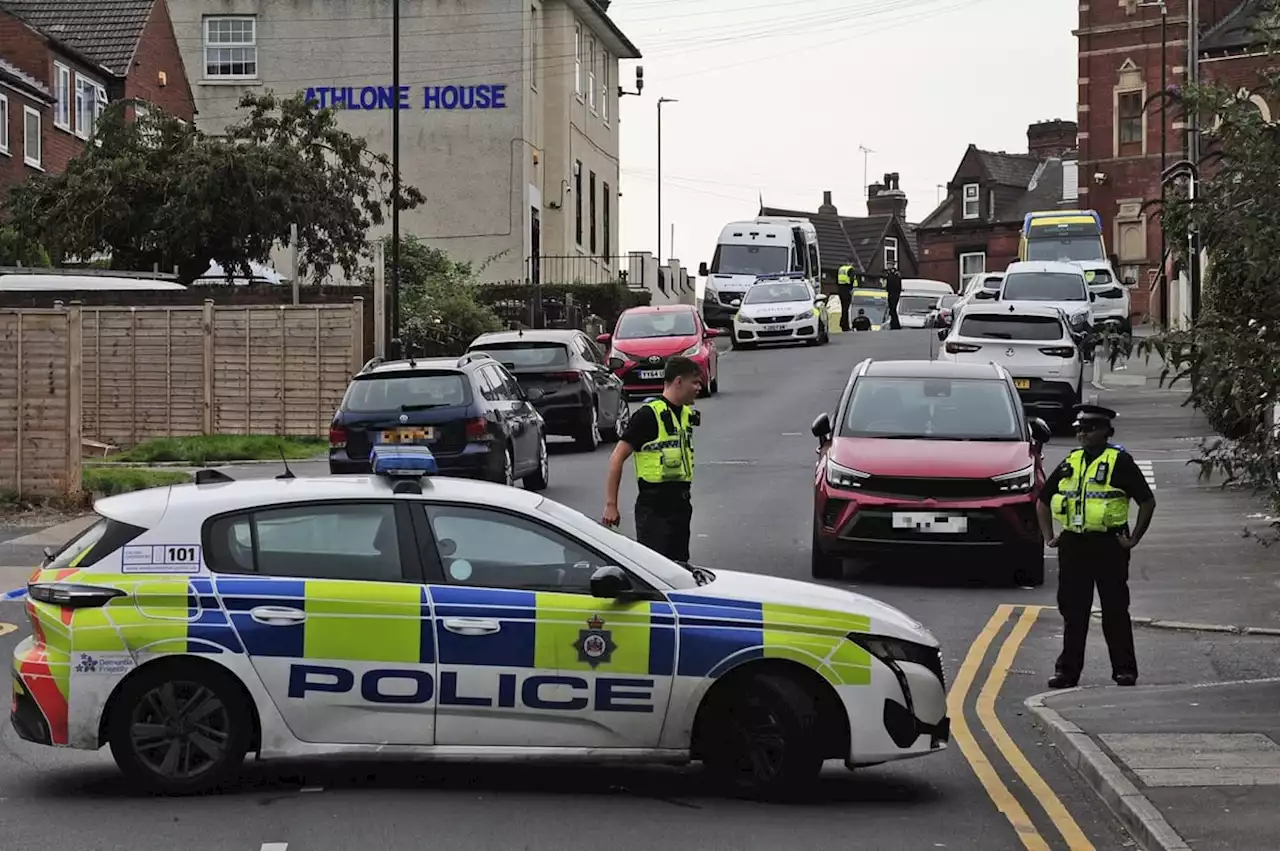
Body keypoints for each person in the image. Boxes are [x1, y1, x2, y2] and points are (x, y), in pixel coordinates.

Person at [1036, 403, 1157, 689]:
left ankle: (1124, 670)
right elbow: (1043, 499)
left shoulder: (1120, 462)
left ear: (1106, 432)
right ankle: (1067, 673)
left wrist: (1133, 539)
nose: (1082, 434)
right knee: (1073, 612)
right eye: (1079, 429)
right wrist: (1049, 536)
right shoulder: (1071, 460)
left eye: (1089, 429)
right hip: (1074, 544)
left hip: (1109, 544)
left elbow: (1146, 502)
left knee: (1115, 610)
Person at [601, 356, 702, 563]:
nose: (699, 387)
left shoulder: (685, 414)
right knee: (655, 567)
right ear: (678, 381)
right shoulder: (648, 415)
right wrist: (611, 504)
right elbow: (617, 458)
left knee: (680, 567)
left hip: (681, 503)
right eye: (695, 382)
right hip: (655, 507)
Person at [836, 261, 857, 332]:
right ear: (850, 263)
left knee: (843, 308)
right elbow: (851, 279)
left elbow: (837, 280)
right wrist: (851, 288)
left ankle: (843, 324)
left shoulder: (841, 269)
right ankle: (845, 325)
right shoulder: (851, 269)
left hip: (840, 290)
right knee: (846, 308)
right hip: (847, 289)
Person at [885, 264, 903, 330]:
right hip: (892, 294)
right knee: (892, 310)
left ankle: (895, 324)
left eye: (889, 265)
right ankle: (894, 323)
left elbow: (893, 285)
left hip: (893, 294)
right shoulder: (891, 274)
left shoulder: (895, 275)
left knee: (893, 309)